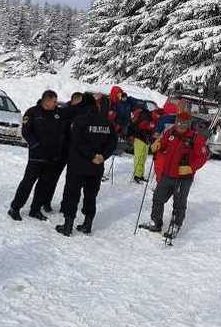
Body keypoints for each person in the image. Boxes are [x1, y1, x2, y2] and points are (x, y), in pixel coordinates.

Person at [55, 93, 118, 236]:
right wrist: (102, 156)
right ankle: (87, 224)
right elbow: (113, 142)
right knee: (91, 195)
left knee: (72, 194)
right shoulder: (107, 122)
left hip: (78, 164)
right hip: (96, 167)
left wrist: (92, 156)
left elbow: (77, 142)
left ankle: (68, 225)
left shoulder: (79, 120)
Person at [140, 111, 209, 239]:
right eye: (178, 123)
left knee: (179, 203)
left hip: (183, 178)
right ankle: (155, 222)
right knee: (158, 197)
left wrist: (190, 168)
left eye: (184, 124)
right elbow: (163, 144)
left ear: (188, 124)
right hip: (167, 174)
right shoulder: (171, 132)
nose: (180, 126)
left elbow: (203, 157)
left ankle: (175, 225)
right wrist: (157, 145)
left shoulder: (195, 138)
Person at [8, 90, 65, 221]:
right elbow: (26, 132)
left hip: (51, 157)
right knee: (27, 183)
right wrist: (35, 145)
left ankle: (35, 209)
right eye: (54, 101)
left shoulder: (58, 113)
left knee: (44, 185)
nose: (56, 103)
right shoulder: (32, 112)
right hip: (36, 156)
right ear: (47, 100)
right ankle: (15, 208)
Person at [128, 104, 155, 183]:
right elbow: (135, 126)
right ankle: (137, 176)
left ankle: (140, 175)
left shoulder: (148, 116)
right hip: (140, 139)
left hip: (144, 139)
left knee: (142, 158)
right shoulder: (144, 115)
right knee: (140, 158)